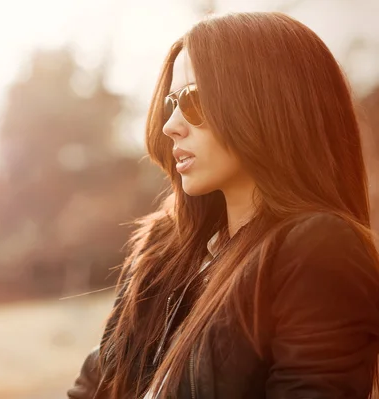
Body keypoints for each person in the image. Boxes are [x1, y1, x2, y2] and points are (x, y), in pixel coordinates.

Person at [67, 11, 379, 399]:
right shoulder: (162, 251)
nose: (171, 125)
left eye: (194, 99)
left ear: (269, 105)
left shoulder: (316, 251)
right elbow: (95, 387)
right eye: (171, 103)